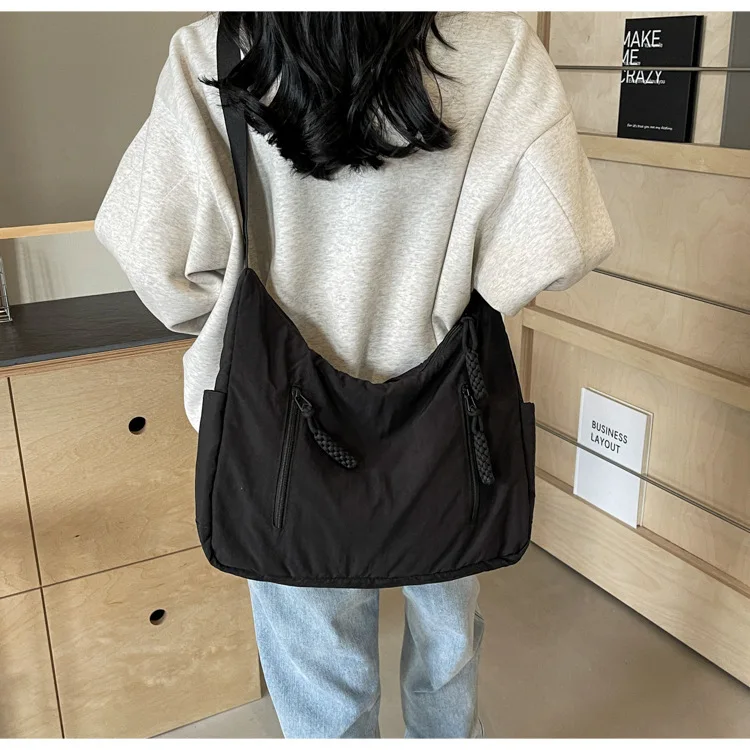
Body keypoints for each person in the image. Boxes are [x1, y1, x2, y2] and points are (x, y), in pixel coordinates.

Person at [95, 11, 615, 739]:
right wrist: (450, 280)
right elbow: (560, 243)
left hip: (275, 428)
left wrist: (236, 325)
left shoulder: (213, 52)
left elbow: (153, 249)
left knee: (319, 671)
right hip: (446, 420)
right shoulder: (494, 48)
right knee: (447, 646)